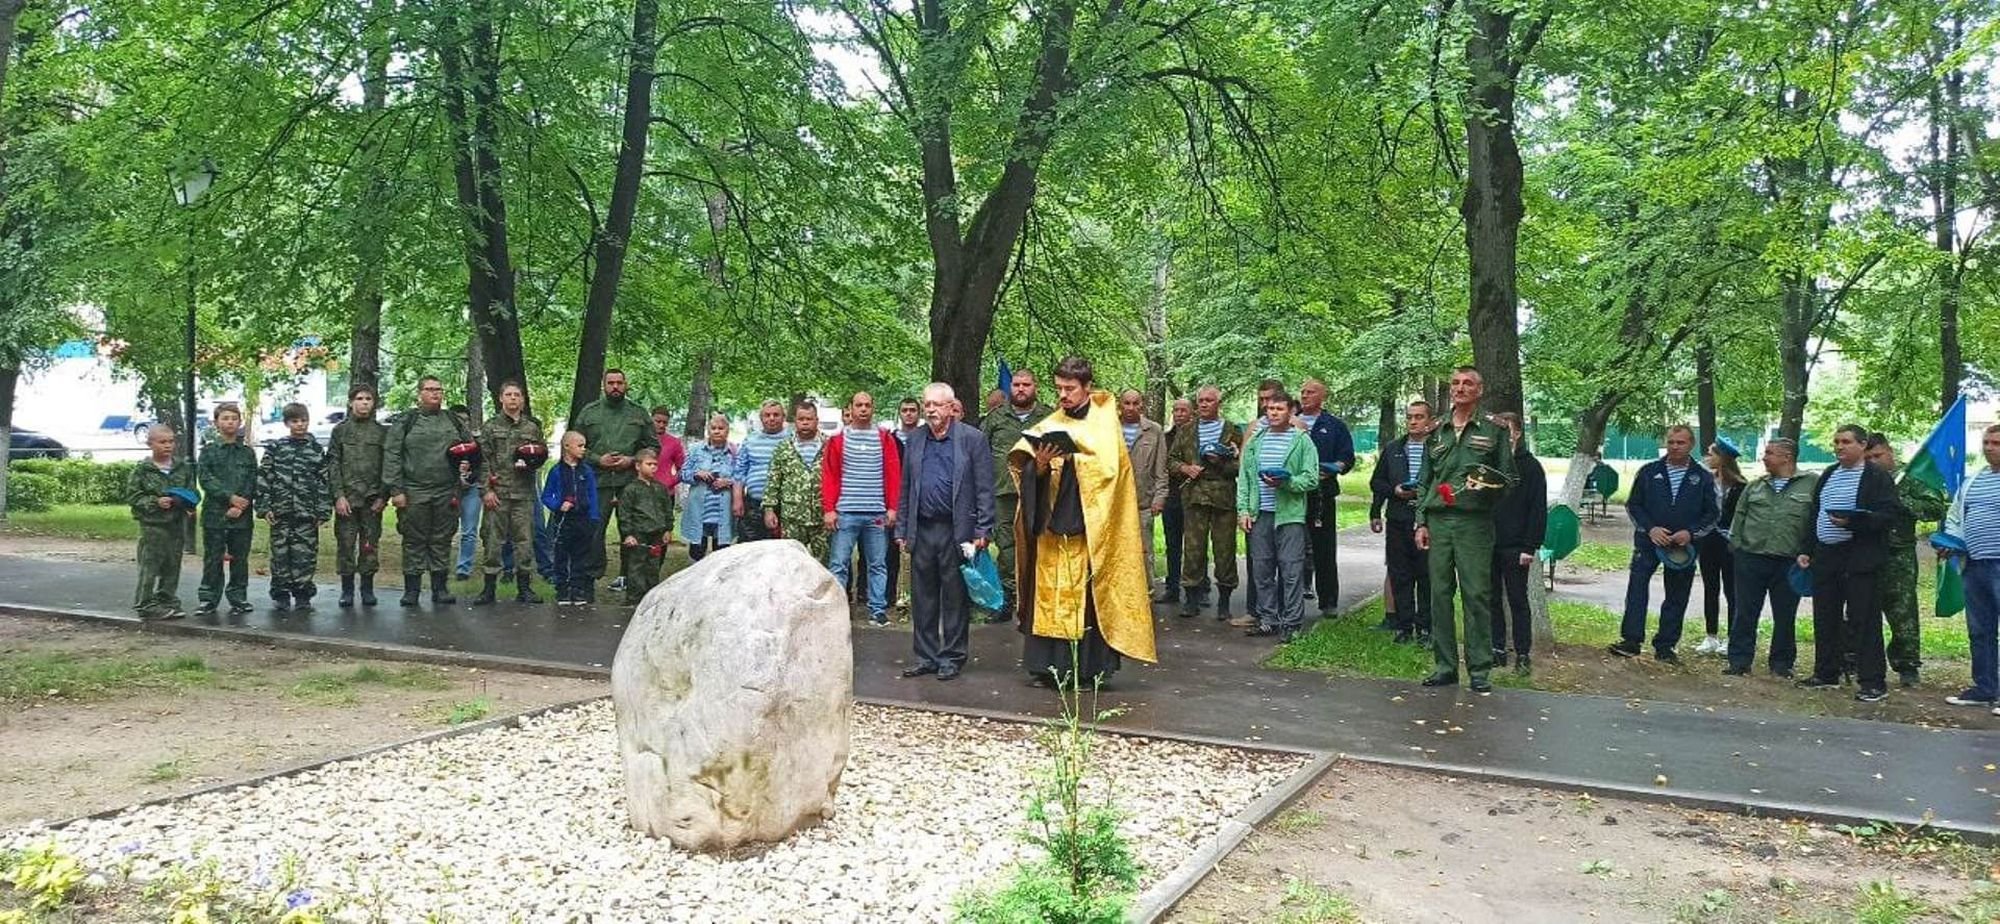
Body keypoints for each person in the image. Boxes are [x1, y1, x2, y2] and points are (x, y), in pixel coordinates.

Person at [1009, 356, 1157, 686]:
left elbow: (1111, 474)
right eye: (1059, 388)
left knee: (1087, 603)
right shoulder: (1050, 423)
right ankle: (1048, 668)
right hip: (1051, 529)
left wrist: (1075, 460)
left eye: (1070, 388)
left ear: (1087, 387)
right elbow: (1026, 470)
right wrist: (1041, 466)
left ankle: (1087, 671)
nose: (1063, 395)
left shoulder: (1104, 425)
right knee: (1047, 598)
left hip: (1090, 530)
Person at [1414, 367, 1516, 693]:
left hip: (1474, 523)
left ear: (1479, 390)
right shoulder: (1436, 430)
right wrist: (1420, 522)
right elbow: (1424, 481)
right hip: (1439, 522)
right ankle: (1445, 666)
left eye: (1468, 383)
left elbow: (1510, 479)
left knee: (1476, 595)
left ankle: (1479, 670)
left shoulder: (1494, 429)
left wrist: (1487, 489)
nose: (1460, 388)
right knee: (1439, 595)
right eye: (1456, 383)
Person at [895, 383, 994, 681]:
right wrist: (902, 527)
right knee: (923, 597)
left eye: (936, 405)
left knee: (954, 596)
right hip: (923, 529)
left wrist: (983, 529)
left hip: (956, 529)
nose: (930, 410)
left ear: (951, 408)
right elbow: (906, 487)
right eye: (927, 404)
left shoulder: (972, 439)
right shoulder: (915, 439)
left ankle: (952, 657)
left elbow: (984, 488)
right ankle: (926, 656)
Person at [1797, 424, 1904, 702]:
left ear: (1862, 445)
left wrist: (1854, 521)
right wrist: (1807, 548)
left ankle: (1873, 682)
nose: (1839, 447)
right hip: (1826, 555)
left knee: (1864, 619)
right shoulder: (1829, 474)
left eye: (1846, 442)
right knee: (1825, 615)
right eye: (1836, 442)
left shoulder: (1876, 477)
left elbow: (1888, 515)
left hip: (1859, 556)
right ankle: (1826, 673)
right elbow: (1815, 512)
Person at [1607, 425, 1718, 664]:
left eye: (1681, 442)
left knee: (1677, 595)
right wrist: (1651, 529)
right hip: (1649, 543)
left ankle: (1666, 646)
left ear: (1691, 445)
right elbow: (1634, 505)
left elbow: (1712, 513)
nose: (1675, 447)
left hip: (1682, 547)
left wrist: (1690, 533)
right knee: (1637, 589)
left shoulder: (1703, 477)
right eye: (1671, 442)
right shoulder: (1649, 472)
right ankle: (1631, 641)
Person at [1723, 438, 1817, 678]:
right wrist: (1738, 549)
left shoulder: (1811, 484)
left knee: (1785, 614)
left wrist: (1810, 552)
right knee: (1745, 611)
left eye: (1769, 453)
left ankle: (1781, 663)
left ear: (1787, 457)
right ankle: (1739, 660)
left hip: (1789, 560)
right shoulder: (1755, 486)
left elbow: (1816, 520)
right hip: (1751, 557)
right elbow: (1739, 518)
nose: (1764, 457)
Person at [385, 376, 477, 607]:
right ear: (420, 393)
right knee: (414, 540)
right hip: (414, 490)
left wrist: (467, 466)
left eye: (438, 389)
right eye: (429, 389)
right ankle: (412, 590)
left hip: (446, 490)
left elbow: (472, 449)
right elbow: (392, 455)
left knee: (442, 539)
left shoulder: (452, 420)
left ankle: (440, 588)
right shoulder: (407, 420)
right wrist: (396, 490)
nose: (435, 393)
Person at [1237, 390, 1320, 641]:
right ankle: (1268, 620)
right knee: (1262, 570)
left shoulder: (1302, 441)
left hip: (1290, 516)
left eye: (1279, 409)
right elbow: (1245, 479)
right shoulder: (1256, 441)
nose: (1273, 413)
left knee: (1291, 570)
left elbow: (1311, 478)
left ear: (1291, 412)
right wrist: (1243, 511)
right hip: (1260, 513)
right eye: (1270, 409)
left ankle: (1292, 623)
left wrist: (1286, 482)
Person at [1867, 433, 1949, 687]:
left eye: (1877, 456)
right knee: (1861, 608)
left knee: (1902, 610)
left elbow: (1936, 508)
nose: (1873, 462)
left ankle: (1907, 664)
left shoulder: (1909, 477)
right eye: (1868, 458)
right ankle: (1854, 659)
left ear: (1889, 452)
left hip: (1898, 554)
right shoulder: (1861, 477)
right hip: (1865, 551)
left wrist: (1900, 497)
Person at [571, 370, 658, 596]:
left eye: (619, 382)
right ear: (604, 385)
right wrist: (598, 459)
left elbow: (653, 446)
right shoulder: (589, 412)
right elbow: (574, 445)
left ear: (626, 385)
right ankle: (587, 583)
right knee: (593, 532)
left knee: (634, 533)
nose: (615, 387)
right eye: (611, 383)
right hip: (597, 482)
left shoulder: (638, 413)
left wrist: (632, 460)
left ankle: (633, 584)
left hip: (630, 484)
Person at [822, 392, 903, 626]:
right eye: (859, 405)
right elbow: (829, 476)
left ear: (873, 408)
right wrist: (829, 509)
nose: (863, 409)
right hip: (845, 513)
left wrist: (893, 507)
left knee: (878, 564)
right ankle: (836, 612)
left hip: (876, 514)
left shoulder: (885, 438)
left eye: (867, 405)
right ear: (851, 408)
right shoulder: (837, 440)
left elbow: (894, 475)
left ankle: (877, 610)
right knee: (839, 564)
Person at [981, 371, 1053, 623]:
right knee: (1007, 547)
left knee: (1041, 543)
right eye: (1016, 384)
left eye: (1026, 384)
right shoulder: (996, 418)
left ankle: (1037, 600)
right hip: (1004, 492)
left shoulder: (1049, 416)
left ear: (1035, 387)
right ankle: (1008, 599)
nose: (1021, 389)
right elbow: (980, 453)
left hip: (1040, 491)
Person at [1169, 385, 1243, 618]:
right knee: (1193, 550)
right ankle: (1191, 599)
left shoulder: (1232, 430)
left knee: (1225, 550)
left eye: (1209, 400)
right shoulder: (1186, 430)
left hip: (1223, 498)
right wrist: (1185, 468)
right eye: (1200, 400)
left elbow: (1241, 465)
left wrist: (1221, 462)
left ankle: (1224, 602)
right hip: (1194, 497)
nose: (1203, 404)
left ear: (1218, 403)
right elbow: (1171, 460)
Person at [1941, 424, 2000, 709]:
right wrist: (1950, 540)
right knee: (1980, 629)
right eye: (1986, 442)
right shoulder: (1972, 481)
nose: (1989, 448)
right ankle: (1985, 688)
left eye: (1996, 443)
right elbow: (1955, 517)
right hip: (1974, 564)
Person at [474, 381, 545, 605]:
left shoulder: (532, 428)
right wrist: (486, 490)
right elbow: (482, 461)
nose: (513, 398)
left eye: (517, 395)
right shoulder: (490, 427)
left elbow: (540, 455)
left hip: (523, 493)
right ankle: (488, 589)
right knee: (493, 541)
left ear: (522, 400)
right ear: (501, 398)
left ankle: (524, 588)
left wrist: (531, 463)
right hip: (498, 494)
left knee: (525, 541)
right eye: (508, 394)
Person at [1370, 400, 1434, 643]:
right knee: (1400, 573)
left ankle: (1426, 628)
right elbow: (1377, 482)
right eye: (1409, 417)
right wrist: (1390, 496)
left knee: (1426, 575)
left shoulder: (1437, 448)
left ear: (1429, 421)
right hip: (1398, 518)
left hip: (1428, 520)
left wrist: (1424, 493)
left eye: (1419, 417)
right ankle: (1404, 626)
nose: (1413, 422)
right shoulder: (1394, 448)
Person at [1488, 412, 1545, 674]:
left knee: (1517, 600)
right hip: (1489, 542)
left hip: (1516, 546)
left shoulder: (1530, 466)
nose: (1502, 437)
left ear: (1517, 433)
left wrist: (1529, 546)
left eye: (1507, 431)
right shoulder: (1489, 464)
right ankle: (1497, 649)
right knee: (1491, 599)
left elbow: (1537, 509)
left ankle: (1522, 654)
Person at [260, 403, 330, 609]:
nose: (300, 425)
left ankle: (303, 594)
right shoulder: (276, 448)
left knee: (305, 555)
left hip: (307, 513)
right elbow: (264, 477)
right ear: (286, 423)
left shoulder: (315, 450)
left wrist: (323, 511)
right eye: (295, 421)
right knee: (280, 555)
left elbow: (324, 481)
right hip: (280, 511)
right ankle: (281, 593)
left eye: (303, 420)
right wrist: (265, 507)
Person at [1297, 378, 1357, 618]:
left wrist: (1335, 467)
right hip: (1293, 494)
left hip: (1322, 494)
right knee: (1291, 548)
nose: (1305, 396)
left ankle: (1328, 601)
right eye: (1302, 392)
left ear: (1323, 397)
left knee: (1324, 549)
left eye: (1310, 392)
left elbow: (1347, 457)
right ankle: (1290, 600)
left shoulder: (1334, 425)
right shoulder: (1290, 422)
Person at [128, 424, 197, 621]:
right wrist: (154, 502)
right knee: (150, 565)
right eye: (162, 442)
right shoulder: (143, 470)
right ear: (150, 444)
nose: (168, 445)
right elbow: (133, 496)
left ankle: (167, 599)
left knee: (172, 564)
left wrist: (186, 502)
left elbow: (192, 492)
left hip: (176, 523)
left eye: (171, 441)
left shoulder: (182, 468)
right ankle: (145, 603)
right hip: (153, 525)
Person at [328, 385, 388, 608]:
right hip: (348, 499)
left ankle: (367, 589)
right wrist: (338, 496)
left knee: (370, 544)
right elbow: (333, 464)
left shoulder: (382, 432)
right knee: (345, 544)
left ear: (374, 403)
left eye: (368, 399)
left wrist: (383, 496)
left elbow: (388, 466)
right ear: (351, 402)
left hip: (372, 499)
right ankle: (347, 590)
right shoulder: (340, 431)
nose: (364, 402)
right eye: (360, 398)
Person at [195, 402, 256, 617]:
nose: (230, 422)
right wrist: (230, 498)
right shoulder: (208, 451)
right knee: (213, 558)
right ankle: (208, 598)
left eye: (234, 418)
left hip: (242, 516)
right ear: (216, 423)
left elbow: (252, 479)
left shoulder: (247, 453)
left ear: (240, 422)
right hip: (215, 514)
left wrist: (242, 504)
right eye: (225, 418)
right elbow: (206, 479)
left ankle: (238, 598)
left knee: (240, 559)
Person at [1694, 438, 1748, 655]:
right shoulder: (1705, 482)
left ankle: (1732, 637)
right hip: (1708, 541)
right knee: (1710, 587)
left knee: (1732, 590)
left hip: (1730, 544)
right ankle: (1711, 636)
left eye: (1711, 453)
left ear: (1722, 457)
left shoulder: (1741, 487)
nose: (1707, 458)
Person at [1118, 390, 1170, 593]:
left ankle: (1146, 593)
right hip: (1115, 503)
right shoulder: (1110, 429)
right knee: (1117, 551)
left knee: (1144, 550)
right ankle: (1119, 595)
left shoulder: (1154, 430)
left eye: (1135, 403)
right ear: (1120, 405)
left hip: (1143, 502)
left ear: (1142, 405)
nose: (1131, 408)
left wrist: (1160, 497)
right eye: (1127, 403)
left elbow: (1161, 468)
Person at [764, 399, 830, 559]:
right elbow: (773, 481)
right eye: (801, 419)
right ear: (795, 421)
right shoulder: (784, 447)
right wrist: (769, 510)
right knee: (791, 562)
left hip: (822, 518)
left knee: (825, 564)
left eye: (809, 419)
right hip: (792, 517)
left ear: (817, 420)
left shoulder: (829, 445)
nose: (805, 423)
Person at [542, 431, 599, 607]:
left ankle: (578, 588)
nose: (583, 449)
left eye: (584, 446)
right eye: (580, 446)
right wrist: (558, 505)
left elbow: (592, 495)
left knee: (580, 555)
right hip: (564, 520)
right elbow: (546, 495)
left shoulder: (587, 471)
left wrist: (594, 517)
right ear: (567, 446)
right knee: (561, 555)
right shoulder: (556, 471)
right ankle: (562, 589)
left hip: (583, 519)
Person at [619, 448, 675, 602]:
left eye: (655, 464)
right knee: (636, 567)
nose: (653, 467)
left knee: (653, 567)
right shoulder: (631, 489)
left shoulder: (660, 488)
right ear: (638, 466)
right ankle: (634, 599)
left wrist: (668, 529)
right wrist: (628, 534)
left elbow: (667, 510)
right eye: (649, 464)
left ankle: (650, 599)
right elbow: (624, 513)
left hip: (657, 534)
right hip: (638, 534)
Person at [1155, 398, 1196, 604]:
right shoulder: (1165, 438)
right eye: (1176, 410)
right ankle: (1172, 588)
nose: (1179, 414)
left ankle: (1199, 588)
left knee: (1195, 545)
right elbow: (1162, 465)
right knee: (1172, 544)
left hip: (1195, 496)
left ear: (1192, 413)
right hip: (1172, 497)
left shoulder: (1198, 435)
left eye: (1183, 410)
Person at [682, 413, 737, 563]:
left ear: (727, 430)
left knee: (721, 556)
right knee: (697, 552)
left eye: (721, 428)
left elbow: (741, 476)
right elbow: (683, 474)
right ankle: (695, 576)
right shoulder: (695, 450)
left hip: (723, 511)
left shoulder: (734, 452)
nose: (717, 431)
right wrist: (696, 474)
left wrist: (729, 482)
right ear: (708, 430)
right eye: (713, 428)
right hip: (699, 510)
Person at [734, 400, 789, 543]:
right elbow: (739, 472)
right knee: (750, 547)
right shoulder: (750, 440)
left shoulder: (792, 439)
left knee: (780, 549)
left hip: (784, 506)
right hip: (754, 504)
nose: (771, 418)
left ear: (783, 417)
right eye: (767, 415)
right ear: (761, 418)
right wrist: (737, 499)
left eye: (776, 415)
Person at [887, 396, 923, 610]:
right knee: (890, 551)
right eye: (905, 410)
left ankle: (917, 596)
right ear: (899, 413)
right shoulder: (889, 439)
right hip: (893, 500)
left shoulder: (925, 438)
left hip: (919, 499)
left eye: (912, 410)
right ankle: (890, 596)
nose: (909, 414)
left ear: (919, 413)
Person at [450, 404, 482, 581]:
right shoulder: (444, 442)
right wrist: (457, 476)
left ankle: (463, 568)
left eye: (465, 420)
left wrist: (468, 478)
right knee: (444, 529)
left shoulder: (477, 443)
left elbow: (483, 466)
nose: (462, 423)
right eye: (458, 420)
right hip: (450, 489)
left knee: (469, 530)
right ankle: (438, 565)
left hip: (471, 489)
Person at [649, 405, 688, 493]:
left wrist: (671, 481)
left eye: (664, 422)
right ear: (651, 420)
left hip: (666, 492)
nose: (661, 425)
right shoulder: (641, 439)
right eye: (658, 421)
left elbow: (683, 467)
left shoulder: (674, 443)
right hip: (642, 491)